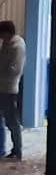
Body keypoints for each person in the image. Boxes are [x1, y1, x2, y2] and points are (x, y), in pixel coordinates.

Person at [0, 21, 25, 160]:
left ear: (8, 32)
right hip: (1, 87)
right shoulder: (7, 43)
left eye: (2, 35)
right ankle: (5, 149)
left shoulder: (17, 46)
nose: (1, 38)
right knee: (5, 121)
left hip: (9, 89)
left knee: (12, 122)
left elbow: (15, 70)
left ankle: (17, 150)